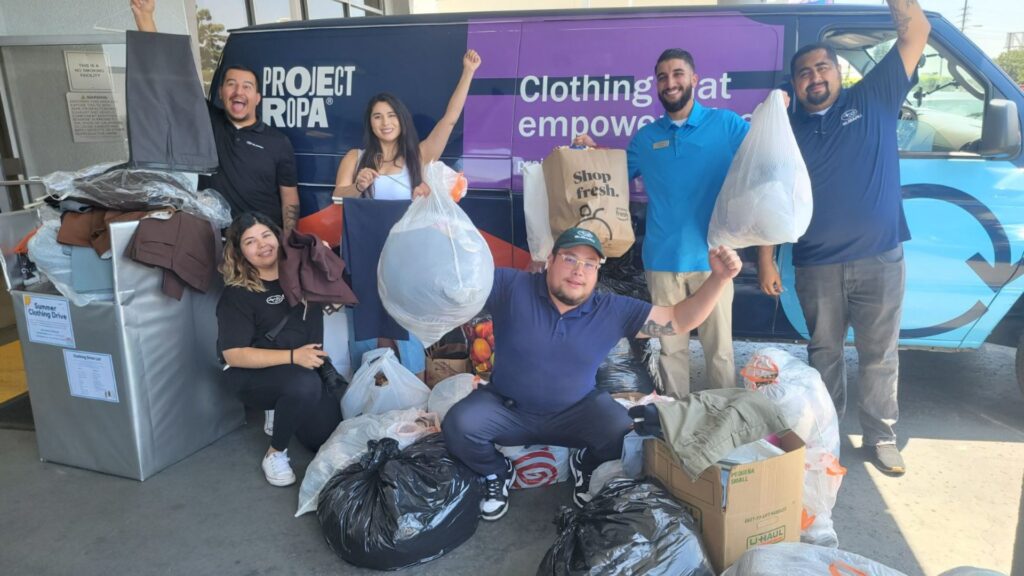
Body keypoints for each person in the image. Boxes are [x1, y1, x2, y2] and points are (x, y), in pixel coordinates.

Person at [443, 228, 741, 520]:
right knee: (459, 425)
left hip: (574, 413)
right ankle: (496, 472)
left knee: (621, 428)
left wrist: (718, 278)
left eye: (589, 263)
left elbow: (676, 320)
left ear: (598, 272)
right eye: (570, 258)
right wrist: (445, 231)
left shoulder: (611, 309)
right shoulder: (511, 286)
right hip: (508, 409)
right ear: (550, 260)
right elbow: (462, 281)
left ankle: (587, 465)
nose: (578, 270)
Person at [757, 0, 930, 476]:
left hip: (880, 257)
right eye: (804, 73)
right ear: (793, 84)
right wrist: (768, 260)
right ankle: (826, 437)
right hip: (816, 265)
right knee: (824, 355)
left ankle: (880, 436)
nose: (815, 77)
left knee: (879, 354)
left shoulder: (873, 95)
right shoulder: (785, 129)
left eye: (823, 67)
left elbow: (916, 30)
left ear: (839, 72)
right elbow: (769, 196)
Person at [575, 49, 750, 399]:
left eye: (678, 74)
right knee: (672, 352)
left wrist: (777, 111)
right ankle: (675, 426)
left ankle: (726, 421)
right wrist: (595, 153)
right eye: (662, 77)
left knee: (720, 351)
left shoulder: (727, 125)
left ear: (694, 80)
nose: (670, 83)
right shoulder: (644, 138)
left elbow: (764, 158)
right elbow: (613, 176)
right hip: (662, 261)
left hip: (714, 261)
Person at [332, 50, 481, 378]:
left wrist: (468, 72)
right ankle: (367, 388)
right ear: (369, 123)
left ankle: (412, 389)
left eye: (391, 116)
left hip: (407, 258)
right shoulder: (356, 158)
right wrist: (358, 185)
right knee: (365, 321)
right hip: (365, 254)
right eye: (377, 116)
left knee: (407, 321)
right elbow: (338, 196)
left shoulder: (419, 156)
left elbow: (450, 120)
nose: (385, 123)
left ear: (401, 120)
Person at [132, 0, 301, 233]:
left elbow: (289, 197)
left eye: (247, 86)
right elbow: (168, 78)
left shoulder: (278, 142)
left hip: (261, 243)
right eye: (231, 84)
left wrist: (289, 240)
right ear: (221, 93)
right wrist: (146, 18)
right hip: (216, 239)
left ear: (257, 97)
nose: (238, 91)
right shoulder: (208, 122)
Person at [216, 212, 342, 487]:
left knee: (321, 437)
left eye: (266, 235)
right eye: (250, 241)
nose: (261, 245)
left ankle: (282, 408)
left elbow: (339, 287)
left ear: (278, 237)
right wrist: (294, 357)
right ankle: (275, 453)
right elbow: (233, 354)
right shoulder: (237, 294)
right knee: (304, 385)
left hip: (299, 368)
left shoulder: (304, 274)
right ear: (239, 252)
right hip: (251, 375)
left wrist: (324, 258)